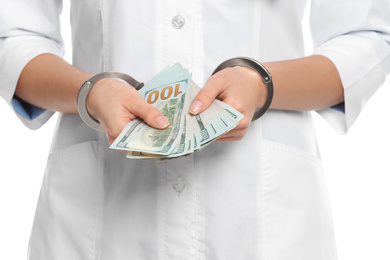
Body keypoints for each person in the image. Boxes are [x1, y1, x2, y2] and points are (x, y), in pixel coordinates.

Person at [1, 0, 389, 259]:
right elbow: (11, 34)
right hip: (98, 221)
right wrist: (88, 93)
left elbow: (368, 36)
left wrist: (264, 84)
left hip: (265, 224)